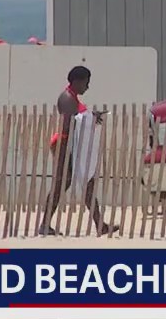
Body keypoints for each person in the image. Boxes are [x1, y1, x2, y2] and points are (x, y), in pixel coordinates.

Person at [38, 66, 120, 236]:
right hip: (65, 146)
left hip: (72, 146)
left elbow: (79, 118)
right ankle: (45, 225)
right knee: (61, 184)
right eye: (86, 83)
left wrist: (91, 116)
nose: (87, 87)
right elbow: (70, 124)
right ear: (77, 81)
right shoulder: (67, 99)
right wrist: (89, 118)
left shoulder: (72, 97)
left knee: (84, 183)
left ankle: (100, 225)